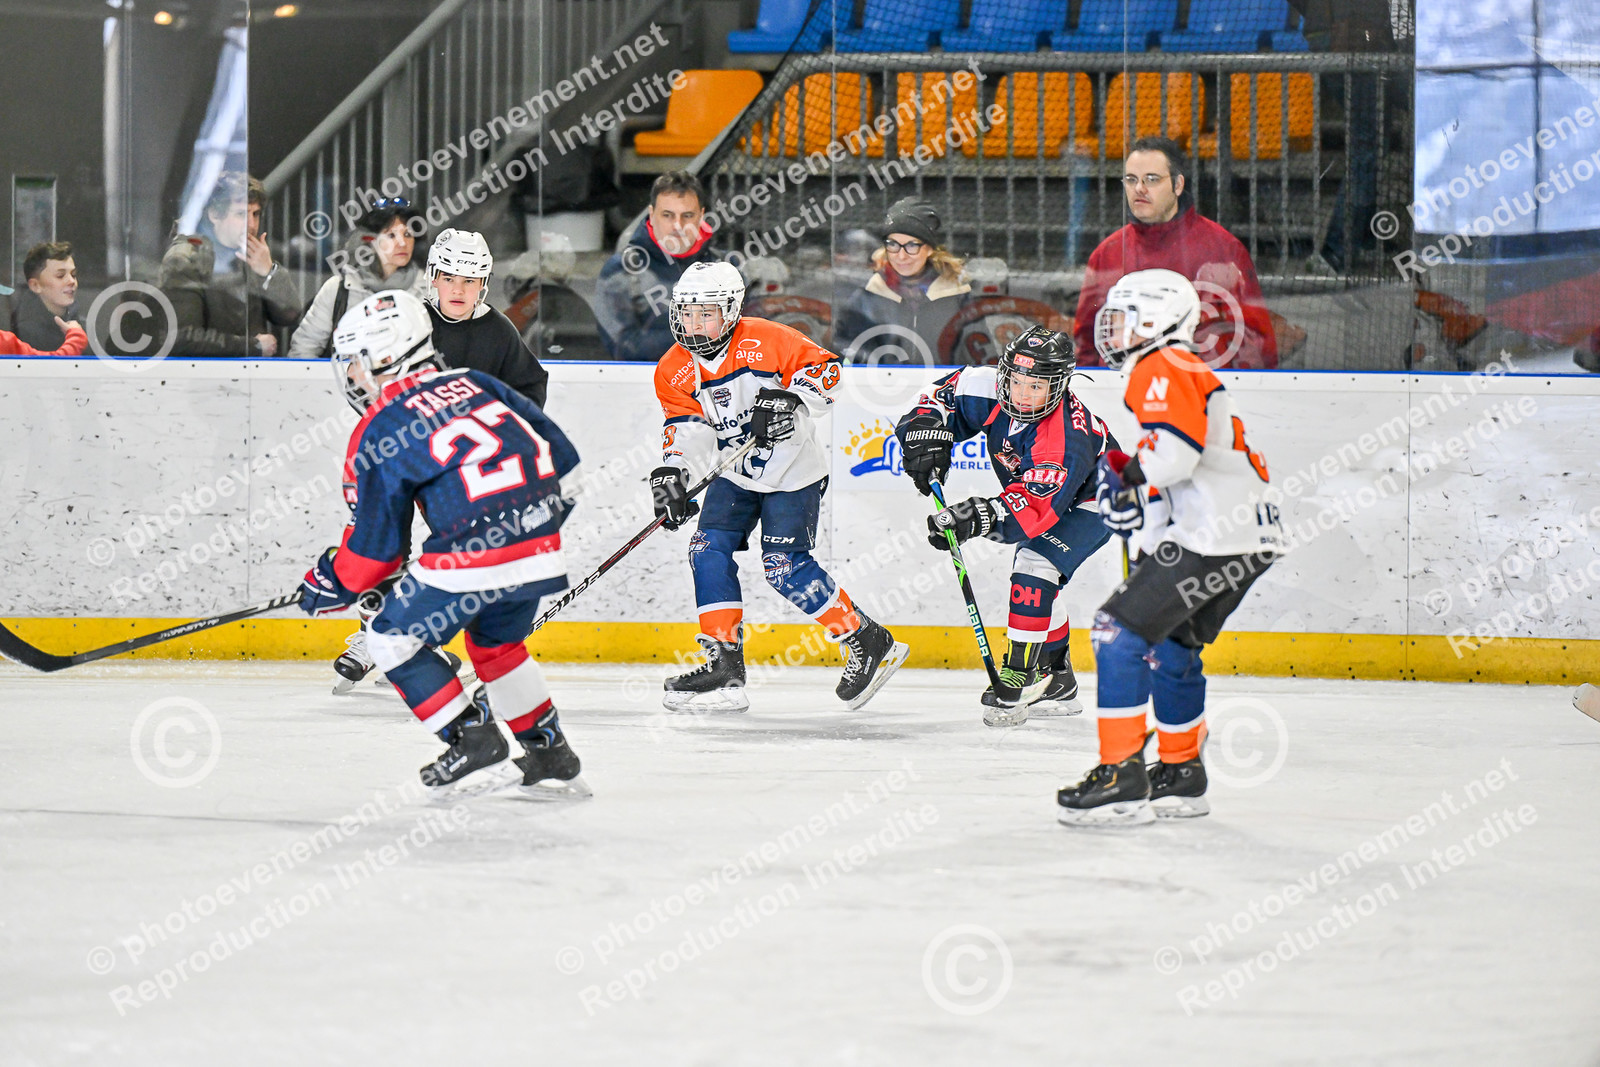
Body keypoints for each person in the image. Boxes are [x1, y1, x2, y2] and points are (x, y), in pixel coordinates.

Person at [299, 289, 587, 800]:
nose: (352, 376)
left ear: (386, 357)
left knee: (388, 638)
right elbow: (566, 463)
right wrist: (532, 525)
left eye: (357, 362)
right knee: (497, 647)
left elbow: (376, 551)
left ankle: (471, 737)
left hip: (473, 551)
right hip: (540, 544)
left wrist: (331, 581)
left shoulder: (381, 424)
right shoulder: (477, 381)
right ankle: (550, 752)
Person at [1056, 269, 1284, 827]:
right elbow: (1180, 470)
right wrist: (1141, 512)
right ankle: (1182, 773)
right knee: (1172, 647)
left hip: (1215, 538)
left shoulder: (1162, 364)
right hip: (1246, 540)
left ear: (1156, 319)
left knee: (1116, 634)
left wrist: (1127, 477)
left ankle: (1121, 775)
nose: (1111, 330)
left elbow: (1174, 458)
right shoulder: (1182, 367)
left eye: (1123, 318)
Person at [650, 261, 908, 712]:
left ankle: (867, 639)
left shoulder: (768, 338)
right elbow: (688, 431)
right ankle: (725, 666)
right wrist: (674, 474)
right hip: (735, 474)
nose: (694, 324)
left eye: (706, 313)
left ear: (731, 311)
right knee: (706, 549)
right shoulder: (672, 368)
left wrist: (791, 398)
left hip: (793, 472)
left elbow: (827, 373)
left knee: (783, 567)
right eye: (687, 313)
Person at [895, 326, 1116, 727]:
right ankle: (1057, 677)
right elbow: (938, 397)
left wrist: (974, 516)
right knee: (1040, 579)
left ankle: (1021, 674)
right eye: (1016, 381)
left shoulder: (1063, 438)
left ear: (1060, 386)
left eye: (1037, 386)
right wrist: (924, 433)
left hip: (1099, 498)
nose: (1023, 394)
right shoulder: (986, 387)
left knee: (1035, 565)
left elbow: (1032, 510)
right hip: (1048, 493)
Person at [1074, 138, 1279, 370]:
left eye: (1152, 179)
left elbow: (1255, 344)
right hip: (1123, 390)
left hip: (1199, 389)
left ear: (1178, 185)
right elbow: (1086, 345)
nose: (1139, 188)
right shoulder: (1107, 254)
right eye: (1131, 179)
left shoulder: (1223, 250)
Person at [594, 171, 726, 362]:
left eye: (687, 215)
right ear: (652, 214)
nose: (678, 225)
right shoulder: (621, 270)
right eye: (667, 215)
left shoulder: (726, 269)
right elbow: (623, 349)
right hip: (643, 381)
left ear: (701, 216)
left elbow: (749, 342)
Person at [834, 197, 971, 365]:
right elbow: (846, 356)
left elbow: (977, 358)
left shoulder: (958, 298)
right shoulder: (866, 299)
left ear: (929, 249)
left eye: (912, 245)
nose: (901, 256)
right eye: (893, 244)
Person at [288, 198, 430, 360]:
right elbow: (303, 349)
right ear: (370, 240)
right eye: (391, 235)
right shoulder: (338, 289)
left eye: (408, 234)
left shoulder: (429, 290)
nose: (402, 243)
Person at [424, 228, 550, 408]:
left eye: (469, 280)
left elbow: (531, 386)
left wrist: (505, 419)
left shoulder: (498, 329)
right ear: (434, 279)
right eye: (449, 279)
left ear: (482, 283)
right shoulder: (417, 323)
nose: (458, 290)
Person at [13, 242, 78, 351]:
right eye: (60, 276)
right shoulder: (25, 334)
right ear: (35, 285)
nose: (71, 281)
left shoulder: (81, 324)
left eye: (73, 275)